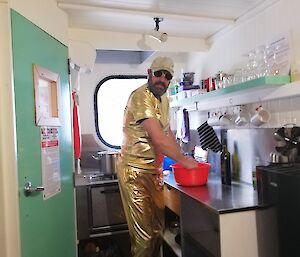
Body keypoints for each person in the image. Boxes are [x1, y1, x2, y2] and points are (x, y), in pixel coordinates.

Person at [117, 56, 198, 257]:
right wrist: (183, 161)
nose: (162, 79)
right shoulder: (140, 97)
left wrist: (181, 154)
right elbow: (159, 140)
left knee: (157, 230)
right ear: (149, 73)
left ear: (170, 80)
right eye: (158, 74)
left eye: (167, 76)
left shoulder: (164, 100)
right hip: (134, 172)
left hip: (154, 171)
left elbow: (167, 133)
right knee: (144, 237)